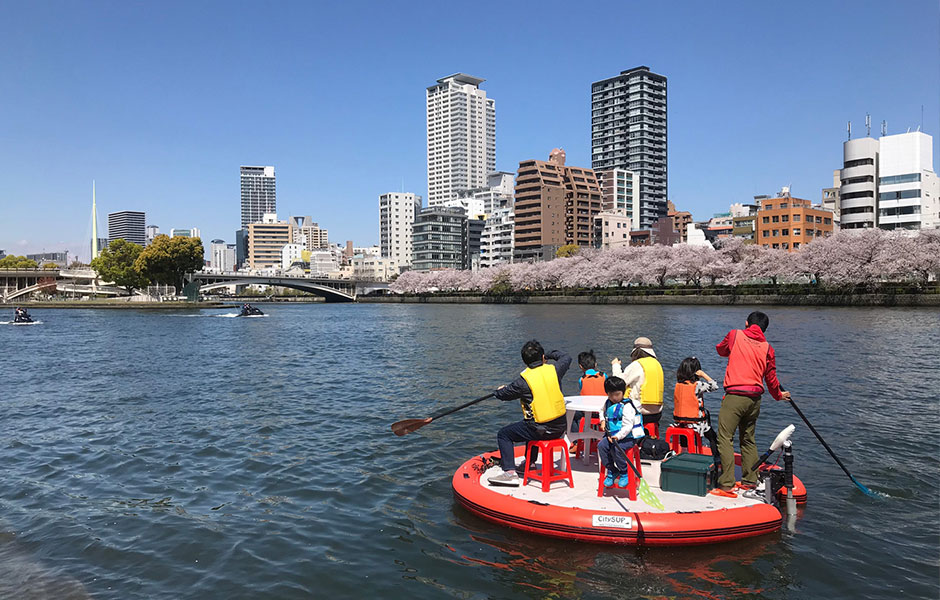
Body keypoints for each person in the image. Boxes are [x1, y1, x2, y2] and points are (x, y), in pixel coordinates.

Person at [711, 311, 791, 498]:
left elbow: (720, 350)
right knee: (748, 439)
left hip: (735, 396)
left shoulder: (735, 334)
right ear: (764, 329)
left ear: (747, 323)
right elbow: (771, 379)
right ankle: (749, 481)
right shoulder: (767, 347)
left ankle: (727, 484)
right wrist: (779, 395)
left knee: (725, 438)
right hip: (755, 399)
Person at [488, 340, 572, 487]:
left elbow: (504, 395)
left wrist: (499, 391)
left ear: (525, 360)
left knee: (504, 434)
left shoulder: (522, 382)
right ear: (542, 356)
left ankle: (509, 473)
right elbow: (566, 357)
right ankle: (530, 463)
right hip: (561, 427)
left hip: (540, 430)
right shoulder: (555, 370)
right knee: (528, 423)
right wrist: (550, 354)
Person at [597, 376, 646, 487]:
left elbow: (628, 426)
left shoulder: (627, 406)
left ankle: (624, 472)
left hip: (627, 438)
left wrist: (617, 437)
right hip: (611, 436)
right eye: (611, 394)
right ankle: (612, 470)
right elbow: (601, 411)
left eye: (617, 394)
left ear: (623, 392)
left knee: (617, 449)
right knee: (601, 446)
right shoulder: (607, 403)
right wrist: (602, 421)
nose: (614, 397)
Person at [611, 337, 664, 433]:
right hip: (657, 414)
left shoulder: (637, 365)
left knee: (611, 411)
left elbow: (618, 382)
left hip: (640, 413)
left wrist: (616, 365)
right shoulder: (657, 364)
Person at [672, 357, 720, 464]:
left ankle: (684, 451)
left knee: (685, 432)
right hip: (697, 423)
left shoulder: (678, 385)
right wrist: (704, 375)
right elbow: (714, 386)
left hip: (681, 422)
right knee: (712, 437)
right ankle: (717, 458)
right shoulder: (698, 385)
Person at [571, 350, 606, 433]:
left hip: (588, 412)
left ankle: (576, 439)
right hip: (603, 411)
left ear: (580, 366)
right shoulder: (604, 376)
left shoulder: (582, 379)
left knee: (571, 416)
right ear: (595, 364)